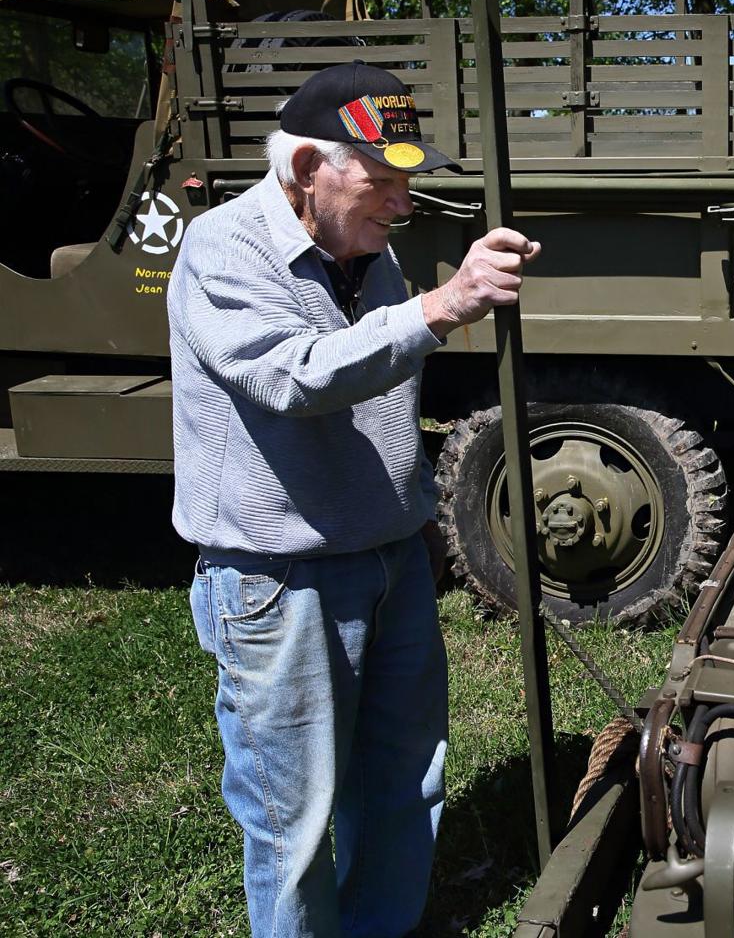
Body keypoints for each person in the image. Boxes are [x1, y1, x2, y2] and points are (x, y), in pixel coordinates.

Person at [168, 61, 540, 937]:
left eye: (407, 183)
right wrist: (444, 306)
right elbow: (293, 375)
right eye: (382, 182)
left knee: (406, 780)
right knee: (292, 822)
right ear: (306, 169)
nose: (401, 204)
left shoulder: (366, 248)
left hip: (387, 561)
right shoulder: (223, 248)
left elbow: (378, 378)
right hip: (280, 581)